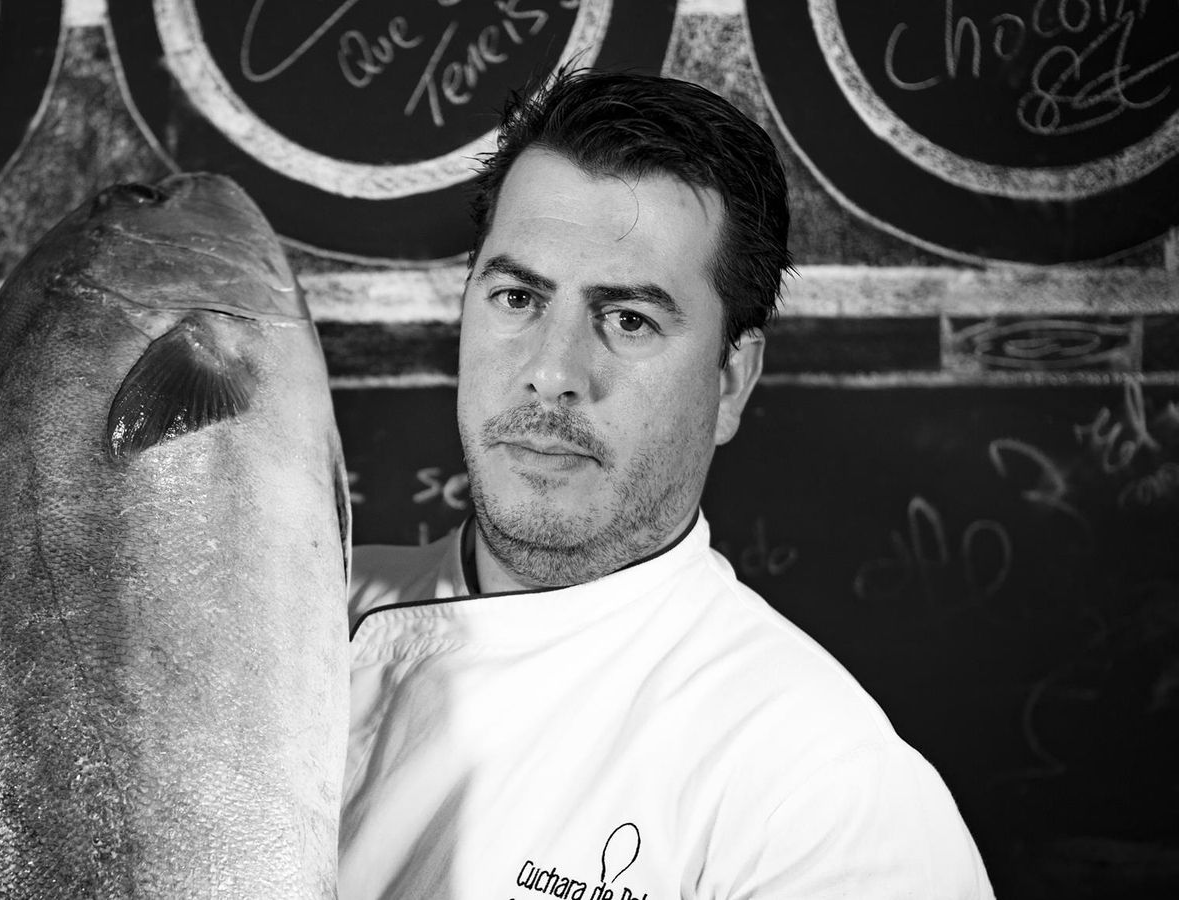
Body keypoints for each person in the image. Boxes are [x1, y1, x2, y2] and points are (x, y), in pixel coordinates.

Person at [338, 70, 994, 899]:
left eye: (630, 320)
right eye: (516, 296)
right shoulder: (292, 624)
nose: (551, 371)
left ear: (730, 381)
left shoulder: (823, 796)